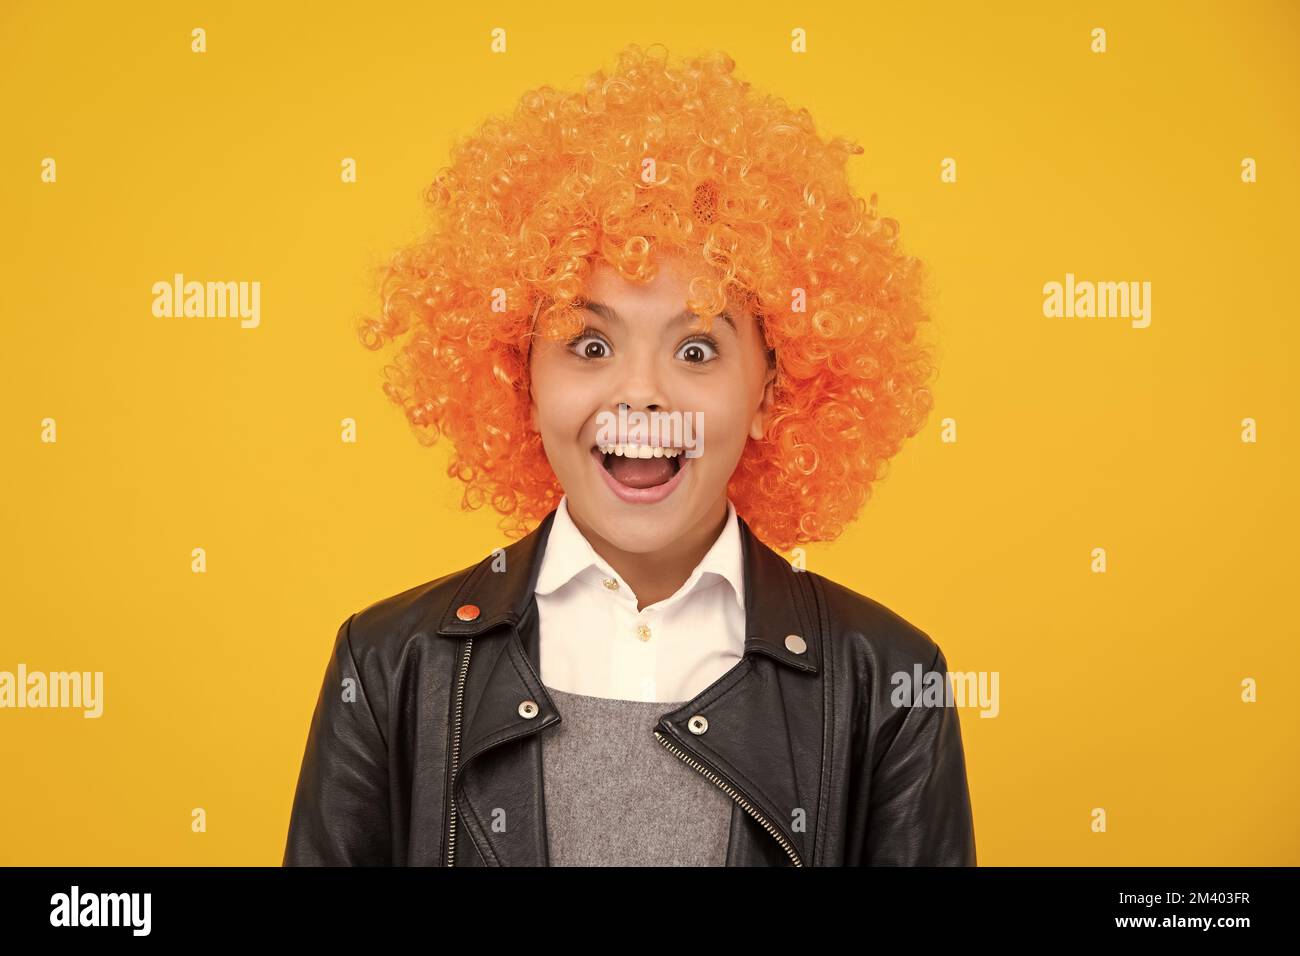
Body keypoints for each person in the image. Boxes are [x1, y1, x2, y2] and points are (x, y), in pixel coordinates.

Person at [283, 43, 976, 866]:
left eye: (695, 352)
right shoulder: (392, 667)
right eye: (588, 344)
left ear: (771, 391)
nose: (641, 396)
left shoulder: (888, 684)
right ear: (520, 378)